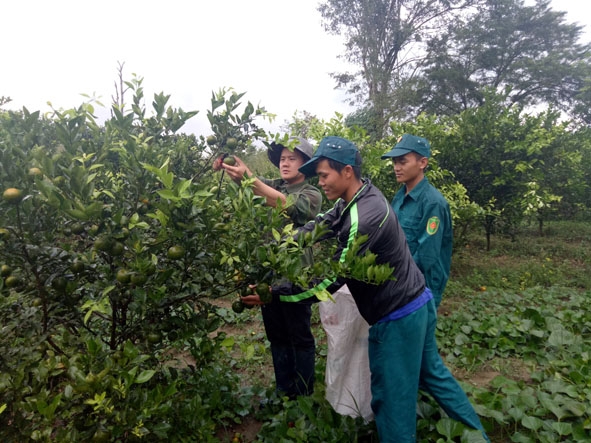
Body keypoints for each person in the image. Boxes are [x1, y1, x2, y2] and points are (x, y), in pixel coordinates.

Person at [242, 136, 489, 442]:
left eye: (323, 175)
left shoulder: (364, 217)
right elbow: (318, 225)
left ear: (346, 171)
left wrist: (273, 294)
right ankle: (479, 435)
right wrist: (281, 249)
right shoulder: (356, 198)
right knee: (432, 375)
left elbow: (332, 277)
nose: (320, 183)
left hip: (398, 317)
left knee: (391, 399)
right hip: (416, 302)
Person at [218, 137, 322, 399]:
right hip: (270, 276)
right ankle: (283, 389)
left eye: (292, 159)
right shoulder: (275, 185)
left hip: (296, 275)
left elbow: (286, 205)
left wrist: (251, 180)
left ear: (306, 164)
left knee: (299, 336)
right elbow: (253, 185)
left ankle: (303, 392)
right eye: (283, 159)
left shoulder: (311, 193)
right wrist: (228, 165)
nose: (285, 164)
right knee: (277, 335)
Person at [381, 134, 453, 309]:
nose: (396, 168)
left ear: (422, 163)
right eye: (394, 162)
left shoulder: (432, 203)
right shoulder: (400, 196)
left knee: (415, 334)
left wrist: (395, 276)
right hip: (399, 283)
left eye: (402, 162)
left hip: (420, 288)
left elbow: (427, 255)